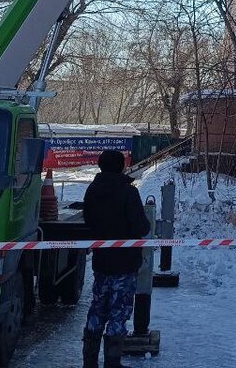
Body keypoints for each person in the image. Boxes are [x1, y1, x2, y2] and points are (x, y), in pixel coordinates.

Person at [81, 149, 150, 368]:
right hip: (125, 264)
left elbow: (88, 219)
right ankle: (112, 362)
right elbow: (141, 226)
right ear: (121, 166)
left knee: (97, 308)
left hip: (102, 262)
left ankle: (89, 362)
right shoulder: (128, 192)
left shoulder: (92, 190)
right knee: (119, 312)